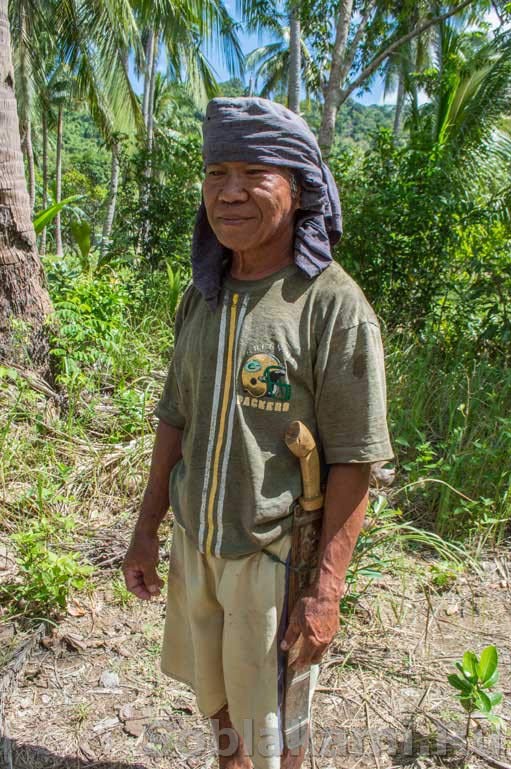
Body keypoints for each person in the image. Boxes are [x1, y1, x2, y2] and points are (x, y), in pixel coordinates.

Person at [122, 97, 393, 769]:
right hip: (198, 541)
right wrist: (147, 525)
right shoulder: (203, 293)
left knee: (275, 722)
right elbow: (174, 416)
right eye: (217, 172)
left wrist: (323, 591)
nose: (229, 191)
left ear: (298, 188)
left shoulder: (330, 305)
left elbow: (355, 460)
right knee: (213, 696)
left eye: (253, 172)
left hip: (271, 558)